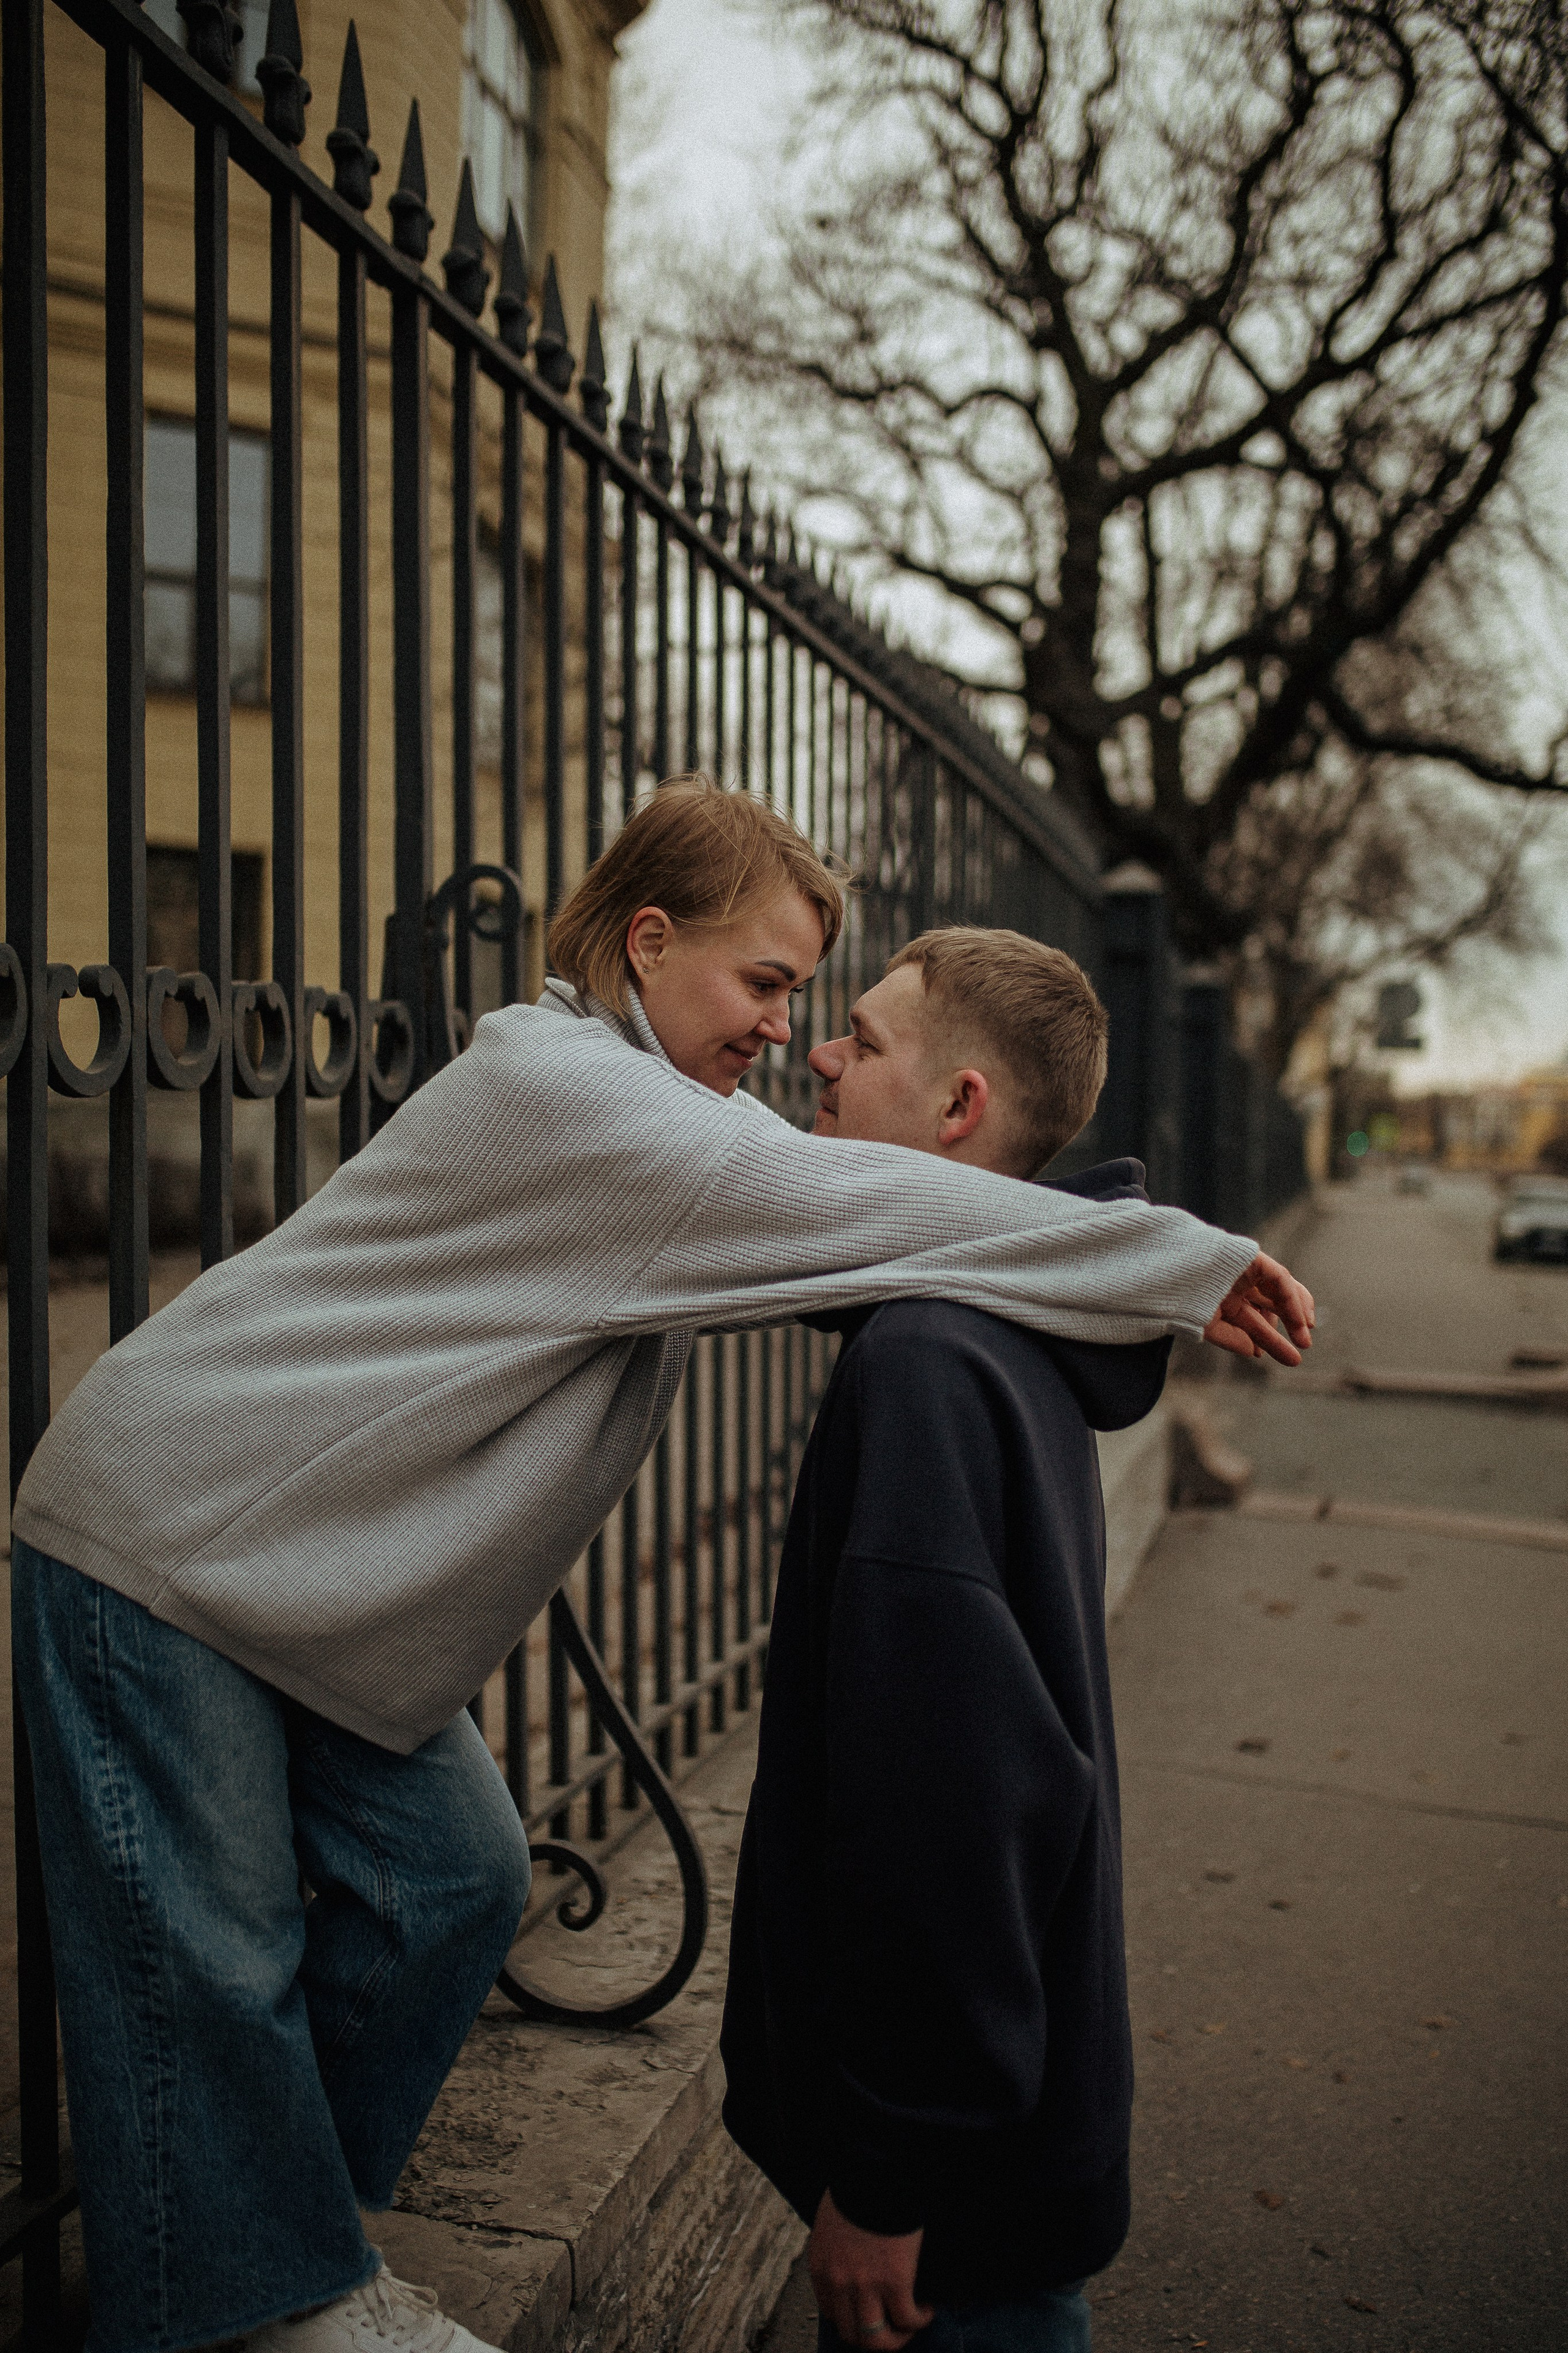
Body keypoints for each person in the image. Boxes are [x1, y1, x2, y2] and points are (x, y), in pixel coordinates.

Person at [10, 782, 1310, 2353]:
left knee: (455, 1880)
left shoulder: (660, 1126)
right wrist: (1181, 1261)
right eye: (765, 985)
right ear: (647, 942)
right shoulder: (583, 1093)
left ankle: (282, 2246)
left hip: (271, 1578)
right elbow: (858, 1203)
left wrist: (1107, 1264)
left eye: (811, 1003)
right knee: (209, 1962)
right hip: (164, 1533)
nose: (788, 1030)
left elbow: (880, 1235)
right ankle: (251, 2298)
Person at [721, 927, 1289, 2353]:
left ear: (959, 1108)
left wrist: (891, 2173)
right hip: (1007, 2159)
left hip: (950, 2217)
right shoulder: (1002, 1331)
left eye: (856, 1035)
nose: (819, 1054)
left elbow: (953, 1808)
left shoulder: (927, 1362)